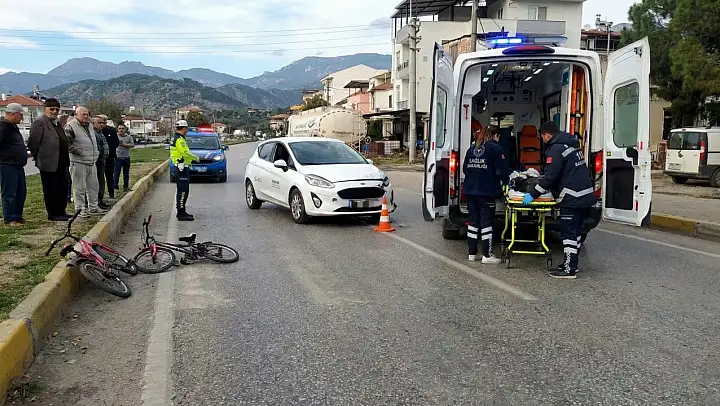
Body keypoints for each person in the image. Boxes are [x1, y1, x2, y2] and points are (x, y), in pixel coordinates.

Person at [522, 121, 596, 279]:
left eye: (543, 137)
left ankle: (569, 269)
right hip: (585, 195)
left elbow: (550, 177)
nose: (542, 140)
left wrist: (533, 194)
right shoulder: (571, 144)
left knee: (568, 234)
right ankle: (572, 264)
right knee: (575, 232)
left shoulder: (556, 149)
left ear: (547, 135)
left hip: (572, 196)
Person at [463, 125, 509, 264]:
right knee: (486, 223)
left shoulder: (472, 148)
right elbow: (501, 171)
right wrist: (507, 182)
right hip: (486, 191)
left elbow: (465, 169)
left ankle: (472, 253)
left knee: (473, 222)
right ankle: (487, 255)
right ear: (496, 136)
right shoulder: (496, 149)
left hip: (470, 190)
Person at [28, 98, 71, 221]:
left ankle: (61, 211)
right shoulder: (40, 122)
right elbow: (33, 142)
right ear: (45, 109)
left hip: (61, 162)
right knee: (51, 189)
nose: (54, 112)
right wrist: (39, 157)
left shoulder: (56, 123)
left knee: (62, 188)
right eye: (52, 109)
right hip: (48, 163)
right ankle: (53, 213)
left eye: (57, 109)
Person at [65, 106, 105, 217]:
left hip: (91, 161)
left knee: (93, 186)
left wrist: (95, 153)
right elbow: (67, 144)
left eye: (87, 114)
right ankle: (80, 209)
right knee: (79, 188)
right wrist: (80, 152)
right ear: (76, 115)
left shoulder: (90, 126)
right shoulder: (71, 126)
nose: (86, 116)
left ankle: (93, 207)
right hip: (78, 161)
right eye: (83, 114)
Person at [0, 103, 28, 226]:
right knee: (10, 193)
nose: (22, 118)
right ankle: (10, 218)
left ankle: (17, 216)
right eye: (20, 115)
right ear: (13, 114)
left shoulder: (13, 127)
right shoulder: (3, 127)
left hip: (18, 165)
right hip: (8, 165)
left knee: (21, 192)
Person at [170, 120, 199, 221]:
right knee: (183, 191)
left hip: (180, 166)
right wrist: (195, 158)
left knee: (182, 190)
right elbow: (185, 153)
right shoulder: (179, 140)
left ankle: (182, 211)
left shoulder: (177, 138)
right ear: (184, 128)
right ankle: (181, 213)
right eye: (186, 128)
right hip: (181, 168)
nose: (187, 130)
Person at [92, 116, 111, 209]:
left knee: (101, 182)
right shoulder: (93, 133)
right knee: (96, 183)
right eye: (99, 123)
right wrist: (98, 159)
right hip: (96, 162)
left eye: (103, 123)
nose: (102, 124)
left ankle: (100, 200)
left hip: (102, 161)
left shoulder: (100, 133)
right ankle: (97, 202)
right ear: (93, 123)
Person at [99, 114, 119, 200]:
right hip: (99, 158)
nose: (103, 123)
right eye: (101, 121)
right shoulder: (95, 131)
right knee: (99, 178)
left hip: (109, 157)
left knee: (110, 176)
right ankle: (100, 196)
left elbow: (116, 142)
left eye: (104, 121)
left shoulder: (112, 130)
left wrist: (110, 151)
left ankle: (111, 194)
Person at [114, 123, 134, 192]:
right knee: (116, 173)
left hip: (126, 157)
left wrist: (125, 145)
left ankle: (125, 187)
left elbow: (132, 145)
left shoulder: (128, 137)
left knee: (126, 173)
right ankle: (115, 187)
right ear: (117, 129)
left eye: (122, 128)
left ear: (125, 129)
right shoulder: (115, 136)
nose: (121, 130)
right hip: (117, 157)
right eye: (119, 128)